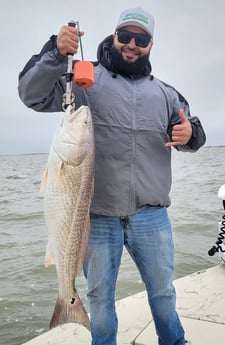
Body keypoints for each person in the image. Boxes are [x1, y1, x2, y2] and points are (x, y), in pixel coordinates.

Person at [18, 7, 206, 345]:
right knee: (100, 299)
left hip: (151, 215)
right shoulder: (84, 78)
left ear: (151, 44)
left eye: (142, 38)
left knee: (163, 291)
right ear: (114, 36)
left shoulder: (165, 93)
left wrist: (190, 134)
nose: (132, 44)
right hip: (97, 217)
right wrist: (54, 51)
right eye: (125, 36)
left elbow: (193, 130)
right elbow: (32, 95)